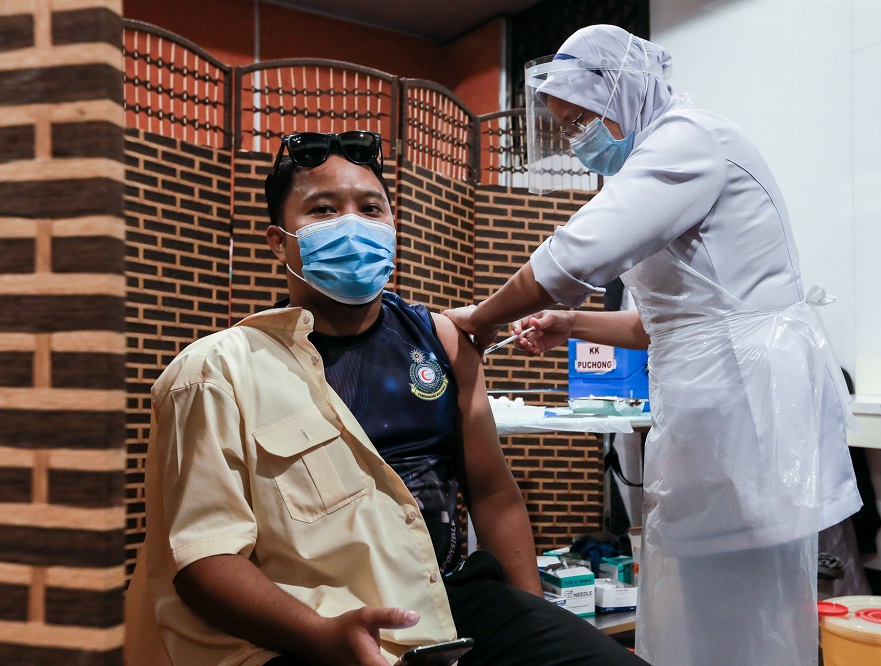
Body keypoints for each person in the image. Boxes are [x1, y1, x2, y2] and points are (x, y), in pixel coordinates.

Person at [124, 128, 647, 666]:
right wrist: (321, 636)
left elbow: (493, 494)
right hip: (310, 620)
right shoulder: (215, 372)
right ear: (279, 241)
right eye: (323, 210)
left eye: (371, 208)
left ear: (393, 227)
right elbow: (203, 561)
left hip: (451, 599)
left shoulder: (441, 341)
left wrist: (534, 620)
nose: (352, 224)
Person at [444, 25, 863, 666]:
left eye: (582, 118)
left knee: (749, 608)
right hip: (716, 395)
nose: (576, 138)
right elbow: (656, 325)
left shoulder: (688, 142)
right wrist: (570, 324)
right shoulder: (656, 163)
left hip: (747, 404)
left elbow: (566, 260)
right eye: (564, 126)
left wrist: (476, 321)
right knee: (705, 599)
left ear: (624, 93)